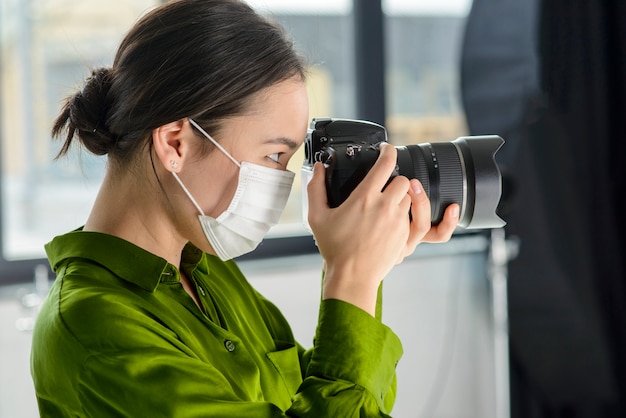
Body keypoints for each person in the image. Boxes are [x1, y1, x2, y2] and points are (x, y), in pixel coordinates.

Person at [30, 0, 459, 416]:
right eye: (273, 156)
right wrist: (354, 276)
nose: (283, 181)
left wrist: (364, 267)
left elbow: (339, 399)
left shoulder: (206, 270)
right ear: (175, 142)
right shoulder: (94, 327)